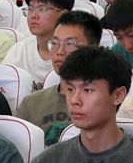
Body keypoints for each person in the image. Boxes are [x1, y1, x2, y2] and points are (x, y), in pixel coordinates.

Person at [19, 11, 102, 146]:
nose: (59, 51)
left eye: (70, 43)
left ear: (93, 48)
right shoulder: (31, 104)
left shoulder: (105, 104)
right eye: (55, 43)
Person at [3, 0, 73, 82]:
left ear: (63, 15)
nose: (33, 15)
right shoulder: (19, 51)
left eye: (42, 9)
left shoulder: (73, 54)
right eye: (30, 9)